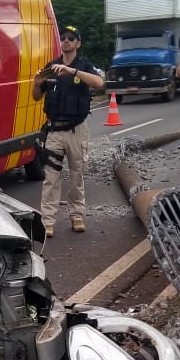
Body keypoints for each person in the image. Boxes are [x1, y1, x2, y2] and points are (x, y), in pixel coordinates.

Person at [32, 25, 104, 237]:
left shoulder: (83, 66)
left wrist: (72, 71)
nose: (66, 41)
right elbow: (37, 96)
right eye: (63, 38)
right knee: (50, 178)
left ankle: (77, 215)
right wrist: (37, 84)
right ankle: (47, 221)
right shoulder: (51, 66)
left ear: (77, 43)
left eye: (71, 38)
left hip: (76, 131)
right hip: (54, 130)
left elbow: (99, 83)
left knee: (76, 176)